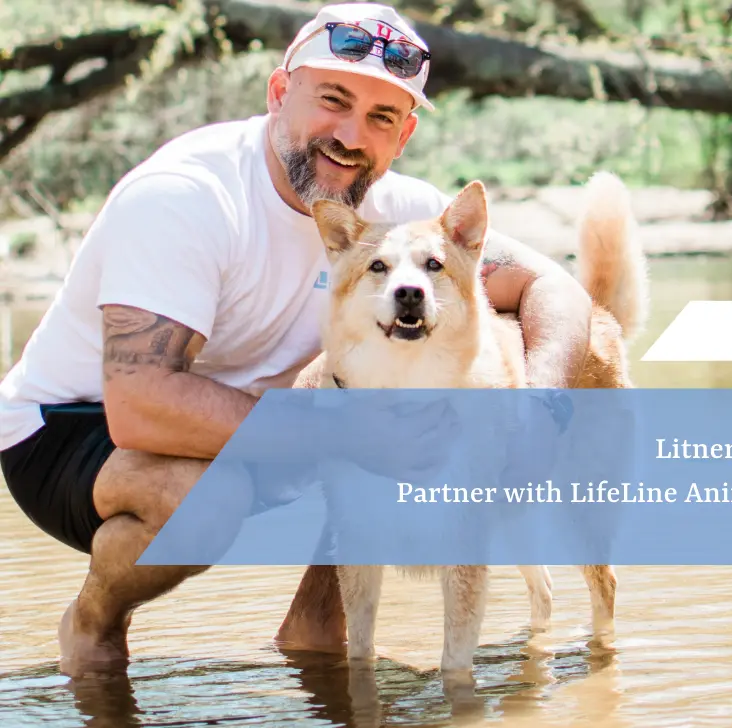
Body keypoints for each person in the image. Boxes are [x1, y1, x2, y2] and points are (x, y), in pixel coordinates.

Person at [0, 2, 594, 677]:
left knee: (438, 362)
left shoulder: (398, 219)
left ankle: (316, 632)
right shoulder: (188, 196)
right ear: (280, 93)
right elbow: (139, 403)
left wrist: (541, 402)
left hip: (259, 420)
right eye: (332, 101)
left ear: (403, 136)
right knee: (213, 497)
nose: (349, 134)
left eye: (380, 117)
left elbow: (557, 289)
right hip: (70, 431)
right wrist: (346, 435)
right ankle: (94, 625)